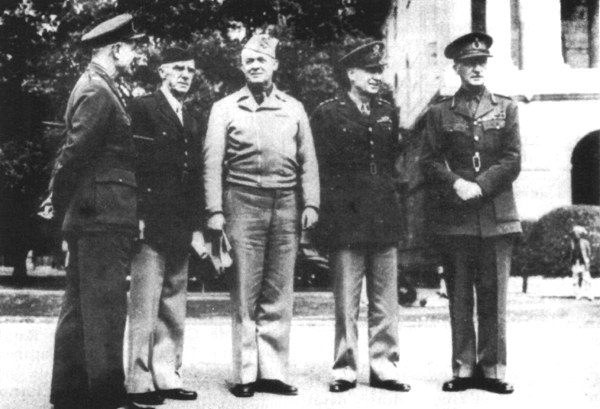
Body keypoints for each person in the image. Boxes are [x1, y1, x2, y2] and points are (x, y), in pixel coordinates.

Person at [203, 34, 320, 398]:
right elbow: (211, 164)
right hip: (242, 203)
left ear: (274, 66)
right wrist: (214, 212)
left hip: (286, 205)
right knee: (244, 290)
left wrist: (312, 204)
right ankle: (245, 375)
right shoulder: (224, 107)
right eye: (249, 60)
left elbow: (308, 161)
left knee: (279, 289)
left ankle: (273, 371)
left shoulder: (294, 107)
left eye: (262, 60)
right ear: (241, 67)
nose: (255, 66)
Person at [47, 14, 148, 409]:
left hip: (93, 212)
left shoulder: (98, 86)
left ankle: (70, 394)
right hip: (101, 213)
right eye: (132, 47)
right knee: (105, 306)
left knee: (79, 307)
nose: (135, 53)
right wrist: (57, 200)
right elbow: (73, 154)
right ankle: (107, 397)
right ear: (116, 49)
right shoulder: (99, 91)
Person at [420, 32, 522, 395]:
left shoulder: (507, 108)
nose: (477, 68)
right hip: (457, 217)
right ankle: (463, 369)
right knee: (461, 297)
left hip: (496, 214)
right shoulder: (439, 112)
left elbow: (512, 159)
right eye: (469, 63)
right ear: (457, 68)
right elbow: (429, 161)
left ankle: (492, 369)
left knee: (494, 298)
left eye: (482, 62)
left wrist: (480, 184)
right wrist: (456, 184)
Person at [310, 41, 410, 394]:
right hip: (344, 217)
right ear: (351, 74)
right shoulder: (327, 112)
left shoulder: (387, 110)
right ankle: (345, 367)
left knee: (385, 300)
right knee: (346, 301)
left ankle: (385, 366)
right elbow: (317, 167)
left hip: (383, 214)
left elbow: (393, 163)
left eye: (379, 71)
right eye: (370, 71)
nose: (377, 77)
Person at [125, 47, 203, 406]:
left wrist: (198, 224)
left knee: (173, 303)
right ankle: (139, 382)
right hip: (150, 218)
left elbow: (194, 174)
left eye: (190, 70)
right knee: (145, 305)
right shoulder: (142, 107)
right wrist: (136, 214)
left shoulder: (192, 114)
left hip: (180, 220)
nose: (186, 75)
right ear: (162, 72)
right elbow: (134, 164)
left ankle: (167, 376)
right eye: (178, 69)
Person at [568, 225, 594, 301]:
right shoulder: (571, 242)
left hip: (583, 263)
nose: (576, 234)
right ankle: (578, 294)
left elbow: (589, 253)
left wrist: (587, 261)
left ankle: (590, 295)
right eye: (574, 233)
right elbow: (569, 253)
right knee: (575, 279)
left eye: (577, 233)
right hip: (575, 263)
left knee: (587, 279)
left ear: (580, 234)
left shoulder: (585, 242)